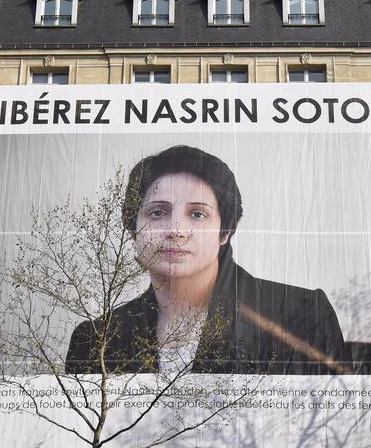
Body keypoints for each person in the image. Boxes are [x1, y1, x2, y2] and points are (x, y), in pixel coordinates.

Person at [65, 145, 347, 375]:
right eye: (157, 213)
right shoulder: (94, 340)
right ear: (133, 229)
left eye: (197, 214)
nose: (176, 231)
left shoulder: (303, 316)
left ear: (224, 232)